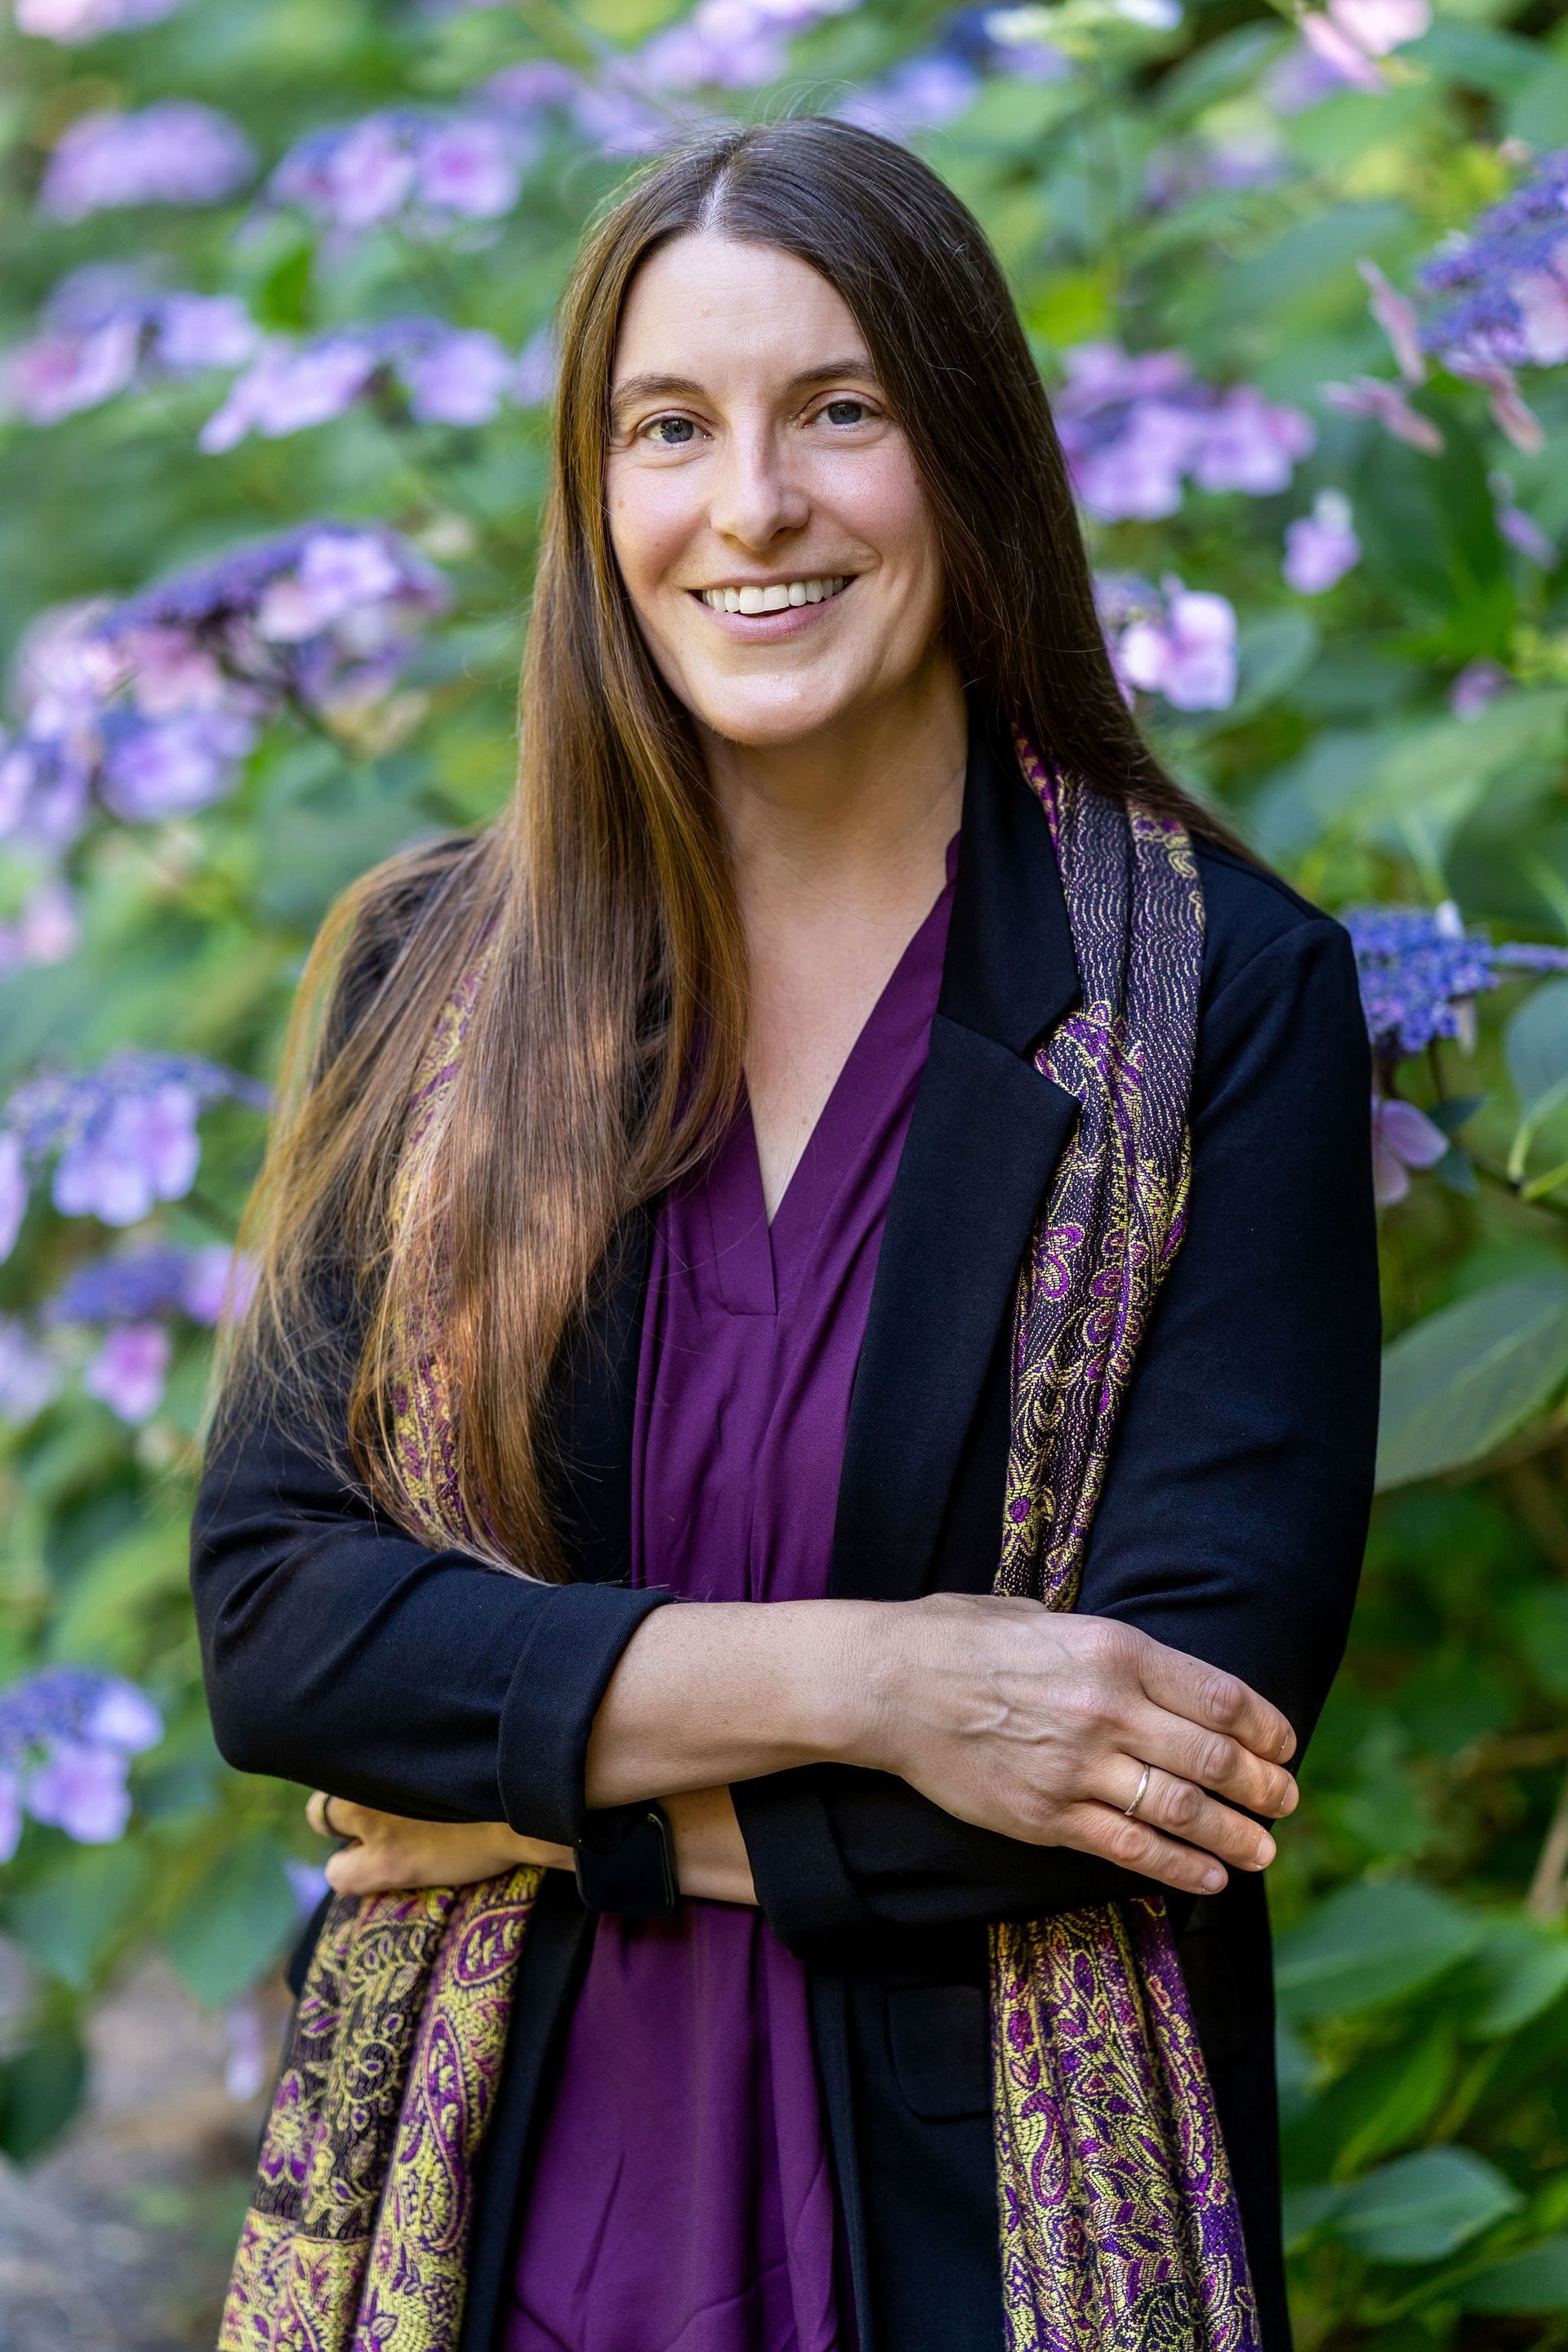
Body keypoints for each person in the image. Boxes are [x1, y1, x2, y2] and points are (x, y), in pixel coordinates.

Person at [191, 115, 1379, 2352]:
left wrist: (535, 1803)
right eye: (672, 428)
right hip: (486, 2214)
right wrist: (887, 1683)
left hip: (989, 2236)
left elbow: (1162, 1765)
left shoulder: (1227, 992)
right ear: (596, 492)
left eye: (841, 410)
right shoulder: (438, 977)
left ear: (970, 456)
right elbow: (284, 1622)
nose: (752, 505)